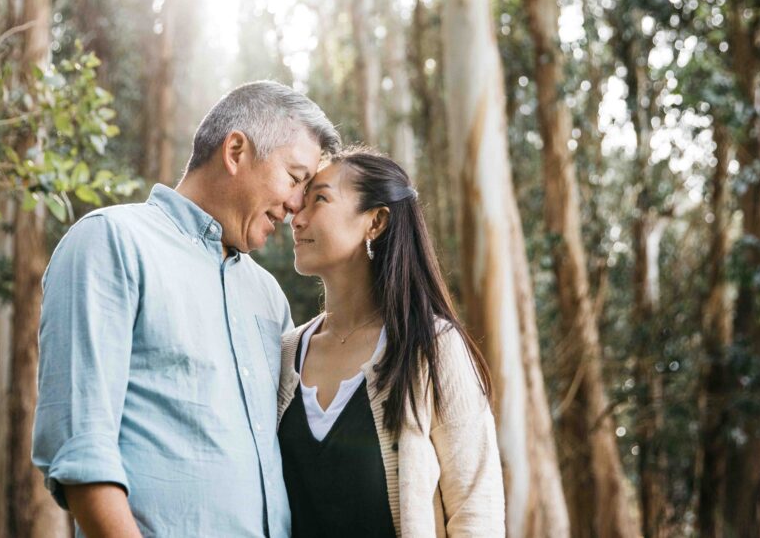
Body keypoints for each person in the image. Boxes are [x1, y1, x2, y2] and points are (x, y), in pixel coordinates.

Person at [32, 81, 341, 538]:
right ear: (235, 150)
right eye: (295, 179)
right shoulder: (112, 242)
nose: (297, 207)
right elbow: (82, 453)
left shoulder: (268, 296)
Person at [278, 148, 505, 537]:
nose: (296, 218)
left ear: (376, 222)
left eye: (320, 199)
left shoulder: (432, 347)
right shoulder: (285, 354)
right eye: (300, 202)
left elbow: (475, 508)